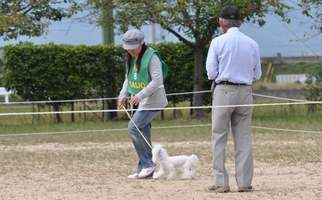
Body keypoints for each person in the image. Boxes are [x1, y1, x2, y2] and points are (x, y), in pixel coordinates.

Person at [205, 5, 262, 193]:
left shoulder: (217, 42)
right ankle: (244, 182)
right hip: (245, 92)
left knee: (219, 136)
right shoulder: (252, 43)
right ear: (240, 23)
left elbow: (211, 72)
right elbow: (257, 74)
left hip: (224, 91)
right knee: (244, 138)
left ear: (221, 23)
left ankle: (221, 181)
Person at [118, 29, 168, 179]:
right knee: (142, 133)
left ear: (141, 43)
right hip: (138, 101)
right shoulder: (132, 57)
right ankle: (144, 167)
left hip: (152, 101)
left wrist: (140, 95)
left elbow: (157, 80)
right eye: (128, 47)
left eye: (133, 47)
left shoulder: (152, 57)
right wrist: (123, 95)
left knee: (133, 128)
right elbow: (129, 78)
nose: (130, 50)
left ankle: (148, 164)